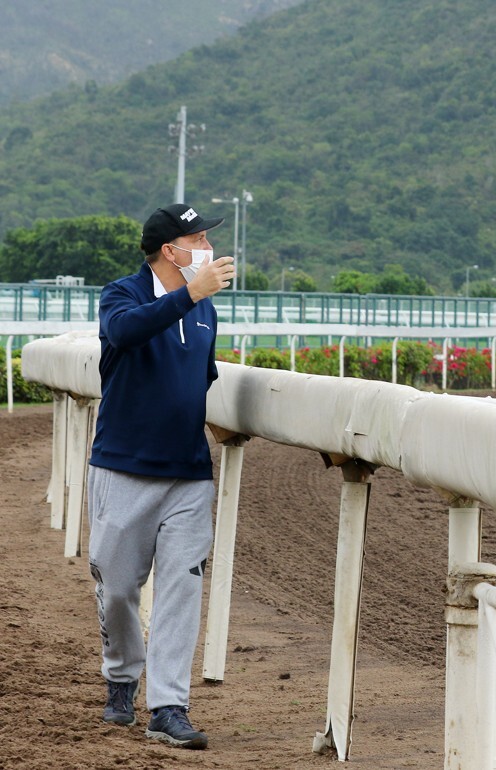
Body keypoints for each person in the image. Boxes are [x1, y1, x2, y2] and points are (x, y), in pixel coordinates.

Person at [88, 203, 236, 750]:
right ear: (171, 250)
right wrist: (191, 293)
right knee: (120, 588)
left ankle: (168, 705)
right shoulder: (120, 294)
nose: (208, 245)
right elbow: (124, 333)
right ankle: (122, 676)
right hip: (123, 468)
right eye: (198, 237)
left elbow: (201, 375)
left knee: (181, 589)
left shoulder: (205, 311)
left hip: (188, 473)